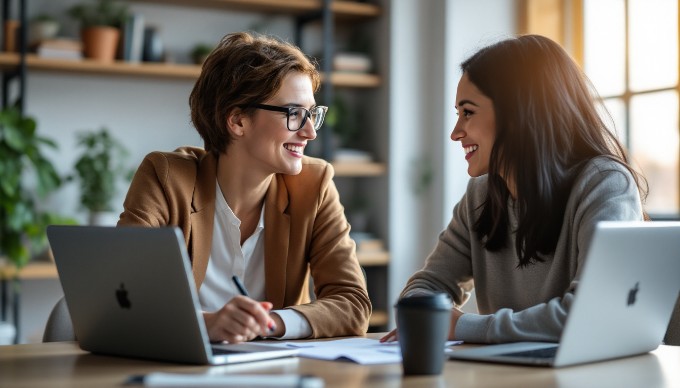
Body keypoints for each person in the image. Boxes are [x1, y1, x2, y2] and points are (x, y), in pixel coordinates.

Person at [382, 34, 647, 344]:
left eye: (468, 112)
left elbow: (593, 315)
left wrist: (462, 326)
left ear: (519, 113)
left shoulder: (605, 184)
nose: (456, 133)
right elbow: (429, 284)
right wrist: (421, 308)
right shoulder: (480, 195)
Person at [118, 31, 371, 343]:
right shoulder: (167, 177)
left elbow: (353, 304)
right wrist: (208, 325)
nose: (310, 132)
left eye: (313, 115)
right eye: (295, 114)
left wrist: (269, 322)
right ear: (237, 121)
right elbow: (125, 295)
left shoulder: (314, 186)